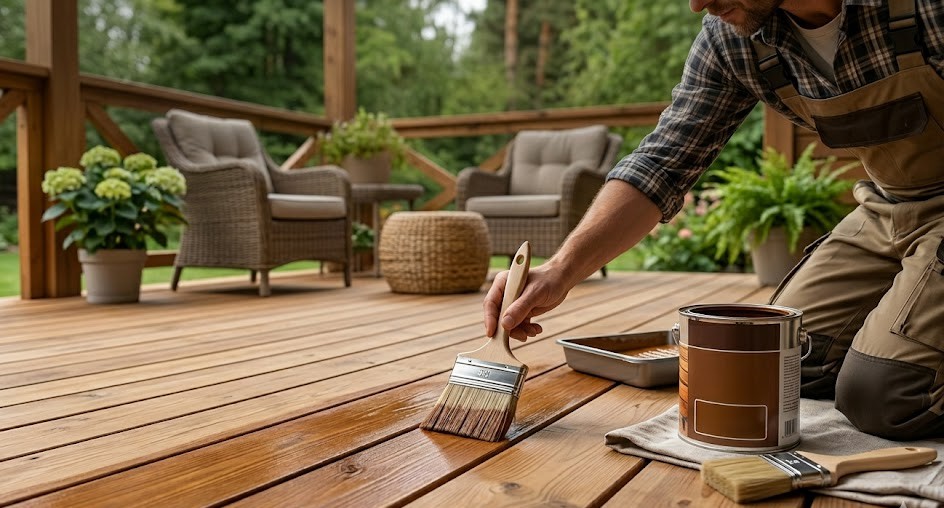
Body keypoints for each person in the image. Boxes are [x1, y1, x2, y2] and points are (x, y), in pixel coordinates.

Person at [483, 0, 944, 440]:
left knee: (885, 396)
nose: (697, 4)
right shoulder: (733, 39)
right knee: (774, 361)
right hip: (887, 208)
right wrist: (559, 271)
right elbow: (662, 163)